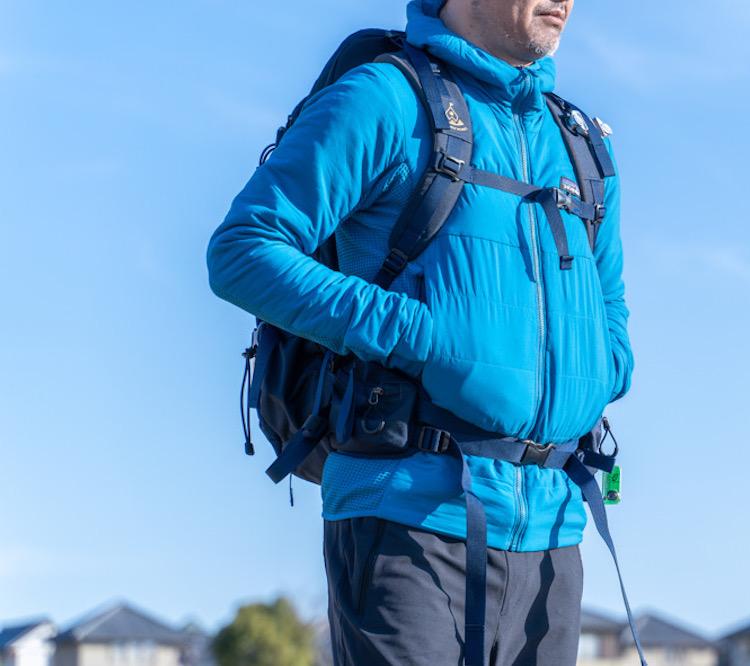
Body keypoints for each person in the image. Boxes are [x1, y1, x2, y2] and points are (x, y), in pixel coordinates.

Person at [205, 0, 634, 663]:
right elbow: (244, 250)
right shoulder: (384, 99)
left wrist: (605, 368)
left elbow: (611, 311)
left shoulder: (580, 143)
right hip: (407, 519)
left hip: (553, 533)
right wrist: (414, 331)